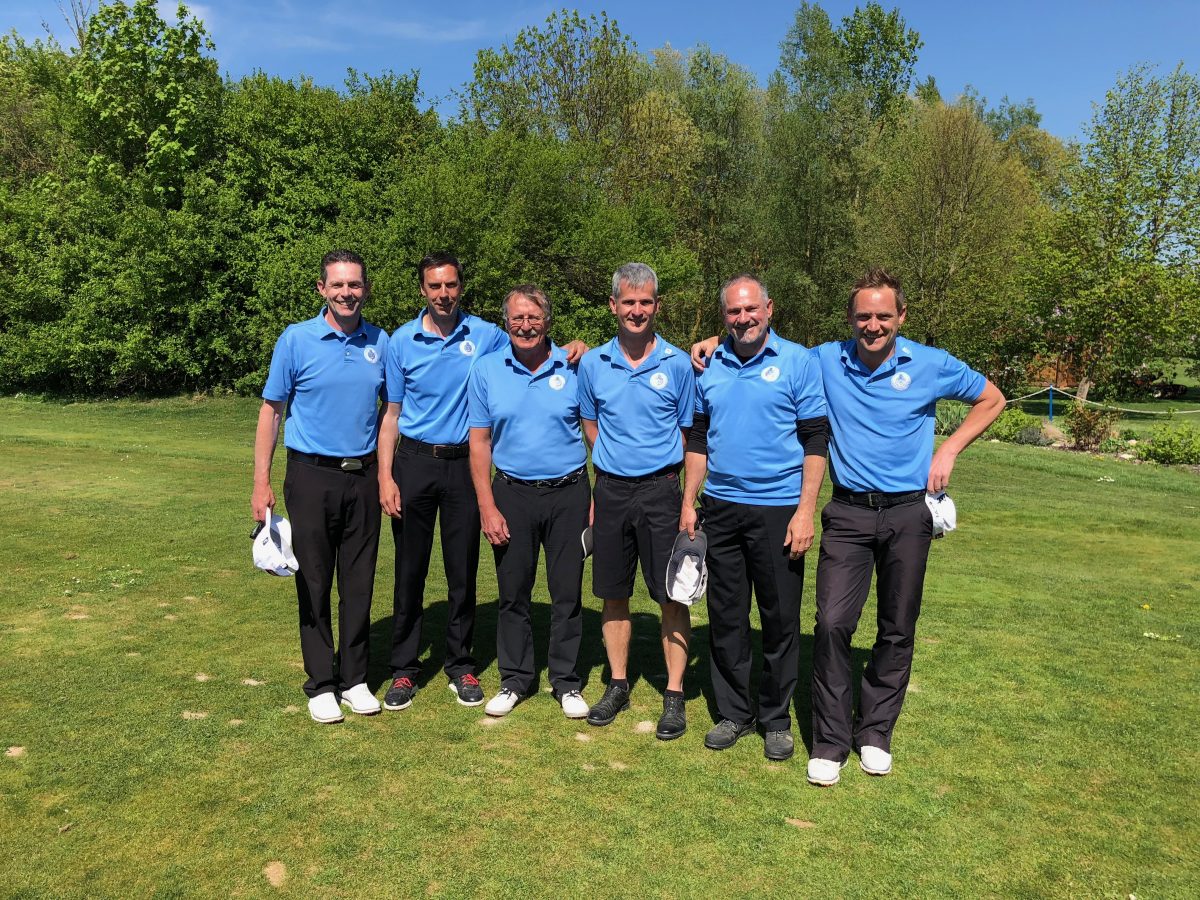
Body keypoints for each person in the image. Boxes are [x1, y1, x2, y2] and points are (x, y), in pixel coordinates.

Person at [805, 268, 1005, 785]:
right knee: (832, 624)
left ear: (901, 317)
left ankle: (874, 732)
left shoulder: (931, 363)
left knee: (896, 627)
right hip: (847, 512)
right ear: (850, 318)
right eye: (863, 316)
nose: (873, 325)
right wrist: (717, 339)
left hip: (908, 513)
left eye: (883, 316)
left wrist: (950, 446)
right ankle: (829, 741)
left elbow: (993, 398)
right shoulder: (828, 358)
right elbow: (772, 353)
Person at [377, 253, 587, 711]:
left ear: (461, 288)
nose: (443, 294)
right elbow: (390, 415)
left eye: (451, 285)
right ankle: (404, 670)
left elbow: (537, 346)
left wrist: (578, 345)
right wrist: (385, 476)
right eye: (434, 286)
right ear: (423, 291)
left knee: (462, 573)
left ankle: (460, 666)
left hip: (462, 468)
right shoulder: (400, 341)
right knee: (409, 571)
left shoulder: (487, 336)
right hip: (413, 460)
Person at [680, 275, 828, 761]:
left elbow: (815, 441)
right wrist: (689, 500)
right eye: (733, 311)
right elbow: (698, 440)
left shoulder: (798, 361)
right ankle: (733, 713)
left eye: (751, 309)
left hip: (779, 509)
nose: (743, 319)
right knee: (725, 617)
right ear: (723, 315)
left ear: (769, 308)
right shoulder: (708, 364)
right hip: (720, 509)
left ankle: (776, 718)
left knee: (780, 618)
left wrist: (805, 511)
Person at [251, 249, 388, 724]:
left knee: (359, 581)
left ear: (365, 289)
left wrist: (387, 474)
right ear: (322, 289)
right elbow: (272, 411)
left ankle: (354, 679)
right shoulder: (296, 340)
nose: (347, 293)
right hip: (310, 475)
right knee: (313, 579)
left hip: (364, 477)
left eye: (355, 285)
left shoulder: (380, 341)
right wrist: (260, 483)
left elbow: (390, 412)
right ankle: (321, 683)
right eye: (338, 285)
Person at [577, 262, 697, 740]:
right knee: (613, 592)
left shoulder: (678, 363)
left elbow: (690, 434)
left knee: (671, 593)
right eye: (628, 302)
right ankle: (619, 683)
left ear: (657, 305)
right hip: (610, 491)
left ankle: (674, 694)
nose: (637, 310)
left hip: (662, 491)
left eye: (646, 302)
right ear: (613, 306)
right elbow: (591, 423)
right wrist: (610, 463)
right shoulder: (592, 364)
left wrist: (686, 496)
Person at [467, 285, 590, 720]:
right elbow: (479, 442)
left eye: (533, 317)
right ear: (506, 322)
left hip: (570, 494)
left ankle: (566, 681)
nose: (525, 325)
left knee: (566, 593)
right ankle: (516, 679)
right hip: (511, 494)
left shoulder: (576, 365)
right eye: (517, 318)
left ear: (548, 321)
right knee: (512, 593)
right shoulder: (486, 371)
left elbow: (595, 431)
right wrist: (487, 505)